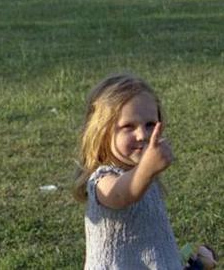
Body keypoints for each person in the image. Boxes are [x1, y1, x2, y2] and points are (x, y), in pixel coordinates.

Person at [73, 73, 217, 270]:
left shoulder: (144, 177)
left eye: (150, 124)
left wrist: (191, 261)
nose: (142, 135)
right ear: (102, 133)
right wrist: (147, 169)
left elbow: (151, 247)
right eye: (128, 127)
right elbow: (122, 193)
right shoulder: (102, 180)